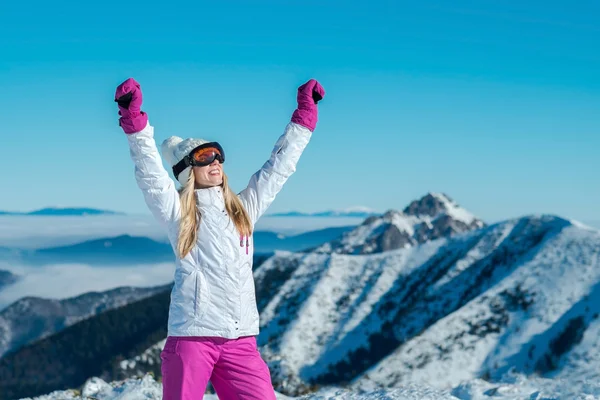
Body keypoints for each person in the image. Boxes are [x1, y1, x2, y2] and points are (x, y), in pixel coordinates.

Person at [113, 77, 325, 400]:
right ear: (188, 170)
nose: (215, 161)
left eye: (217, 155)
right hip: (192, 338)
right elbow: (153, 177)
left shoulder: (242, 209)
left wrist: (304, 119)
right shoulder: (180, 214)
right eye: (204, 157)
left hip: (240, 340)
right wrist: (135, 123)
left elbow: (277, 169)